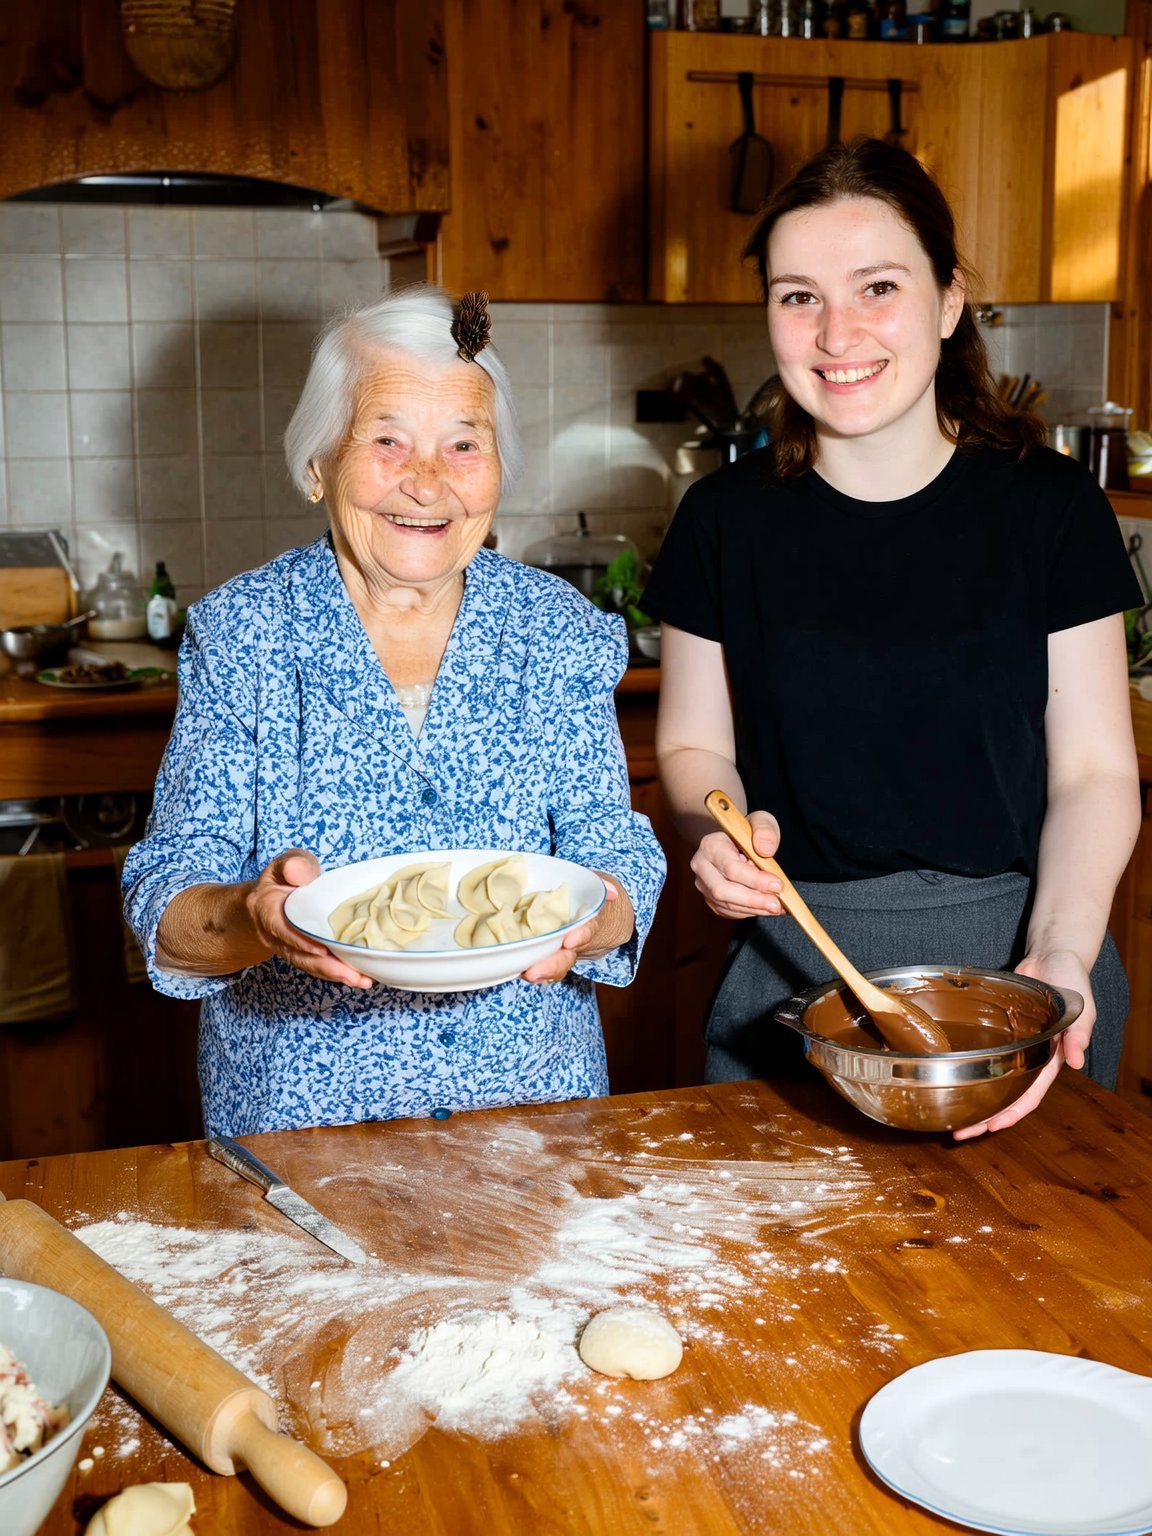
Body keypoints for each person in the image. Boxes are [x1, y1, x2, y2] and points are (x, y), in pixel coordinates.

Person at [643, 138, 1142, 1139]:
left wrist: (1062, 957)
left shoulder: (1049, 509)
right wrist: (721, 840)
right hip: (795, 972)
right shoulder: (721, 521)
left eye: (877, 286)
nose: (837, 333)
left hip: (1020, 966)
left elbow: (1093, 770)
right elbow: (694, 749)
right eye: (798, 296)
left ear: (949, 302)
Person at [122, 285, 665, 1137]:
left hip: (532, 1116)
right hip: (304, 1129)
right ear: (318, 463)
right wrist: (256, 918)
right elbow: (168, 899)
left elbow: (611, 847)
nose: (428, 481)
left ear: (497, 468)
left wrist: (599, 914)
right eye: (387, 440)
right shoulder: (244, 634)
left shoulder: (557, 630)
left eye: (463, 442)